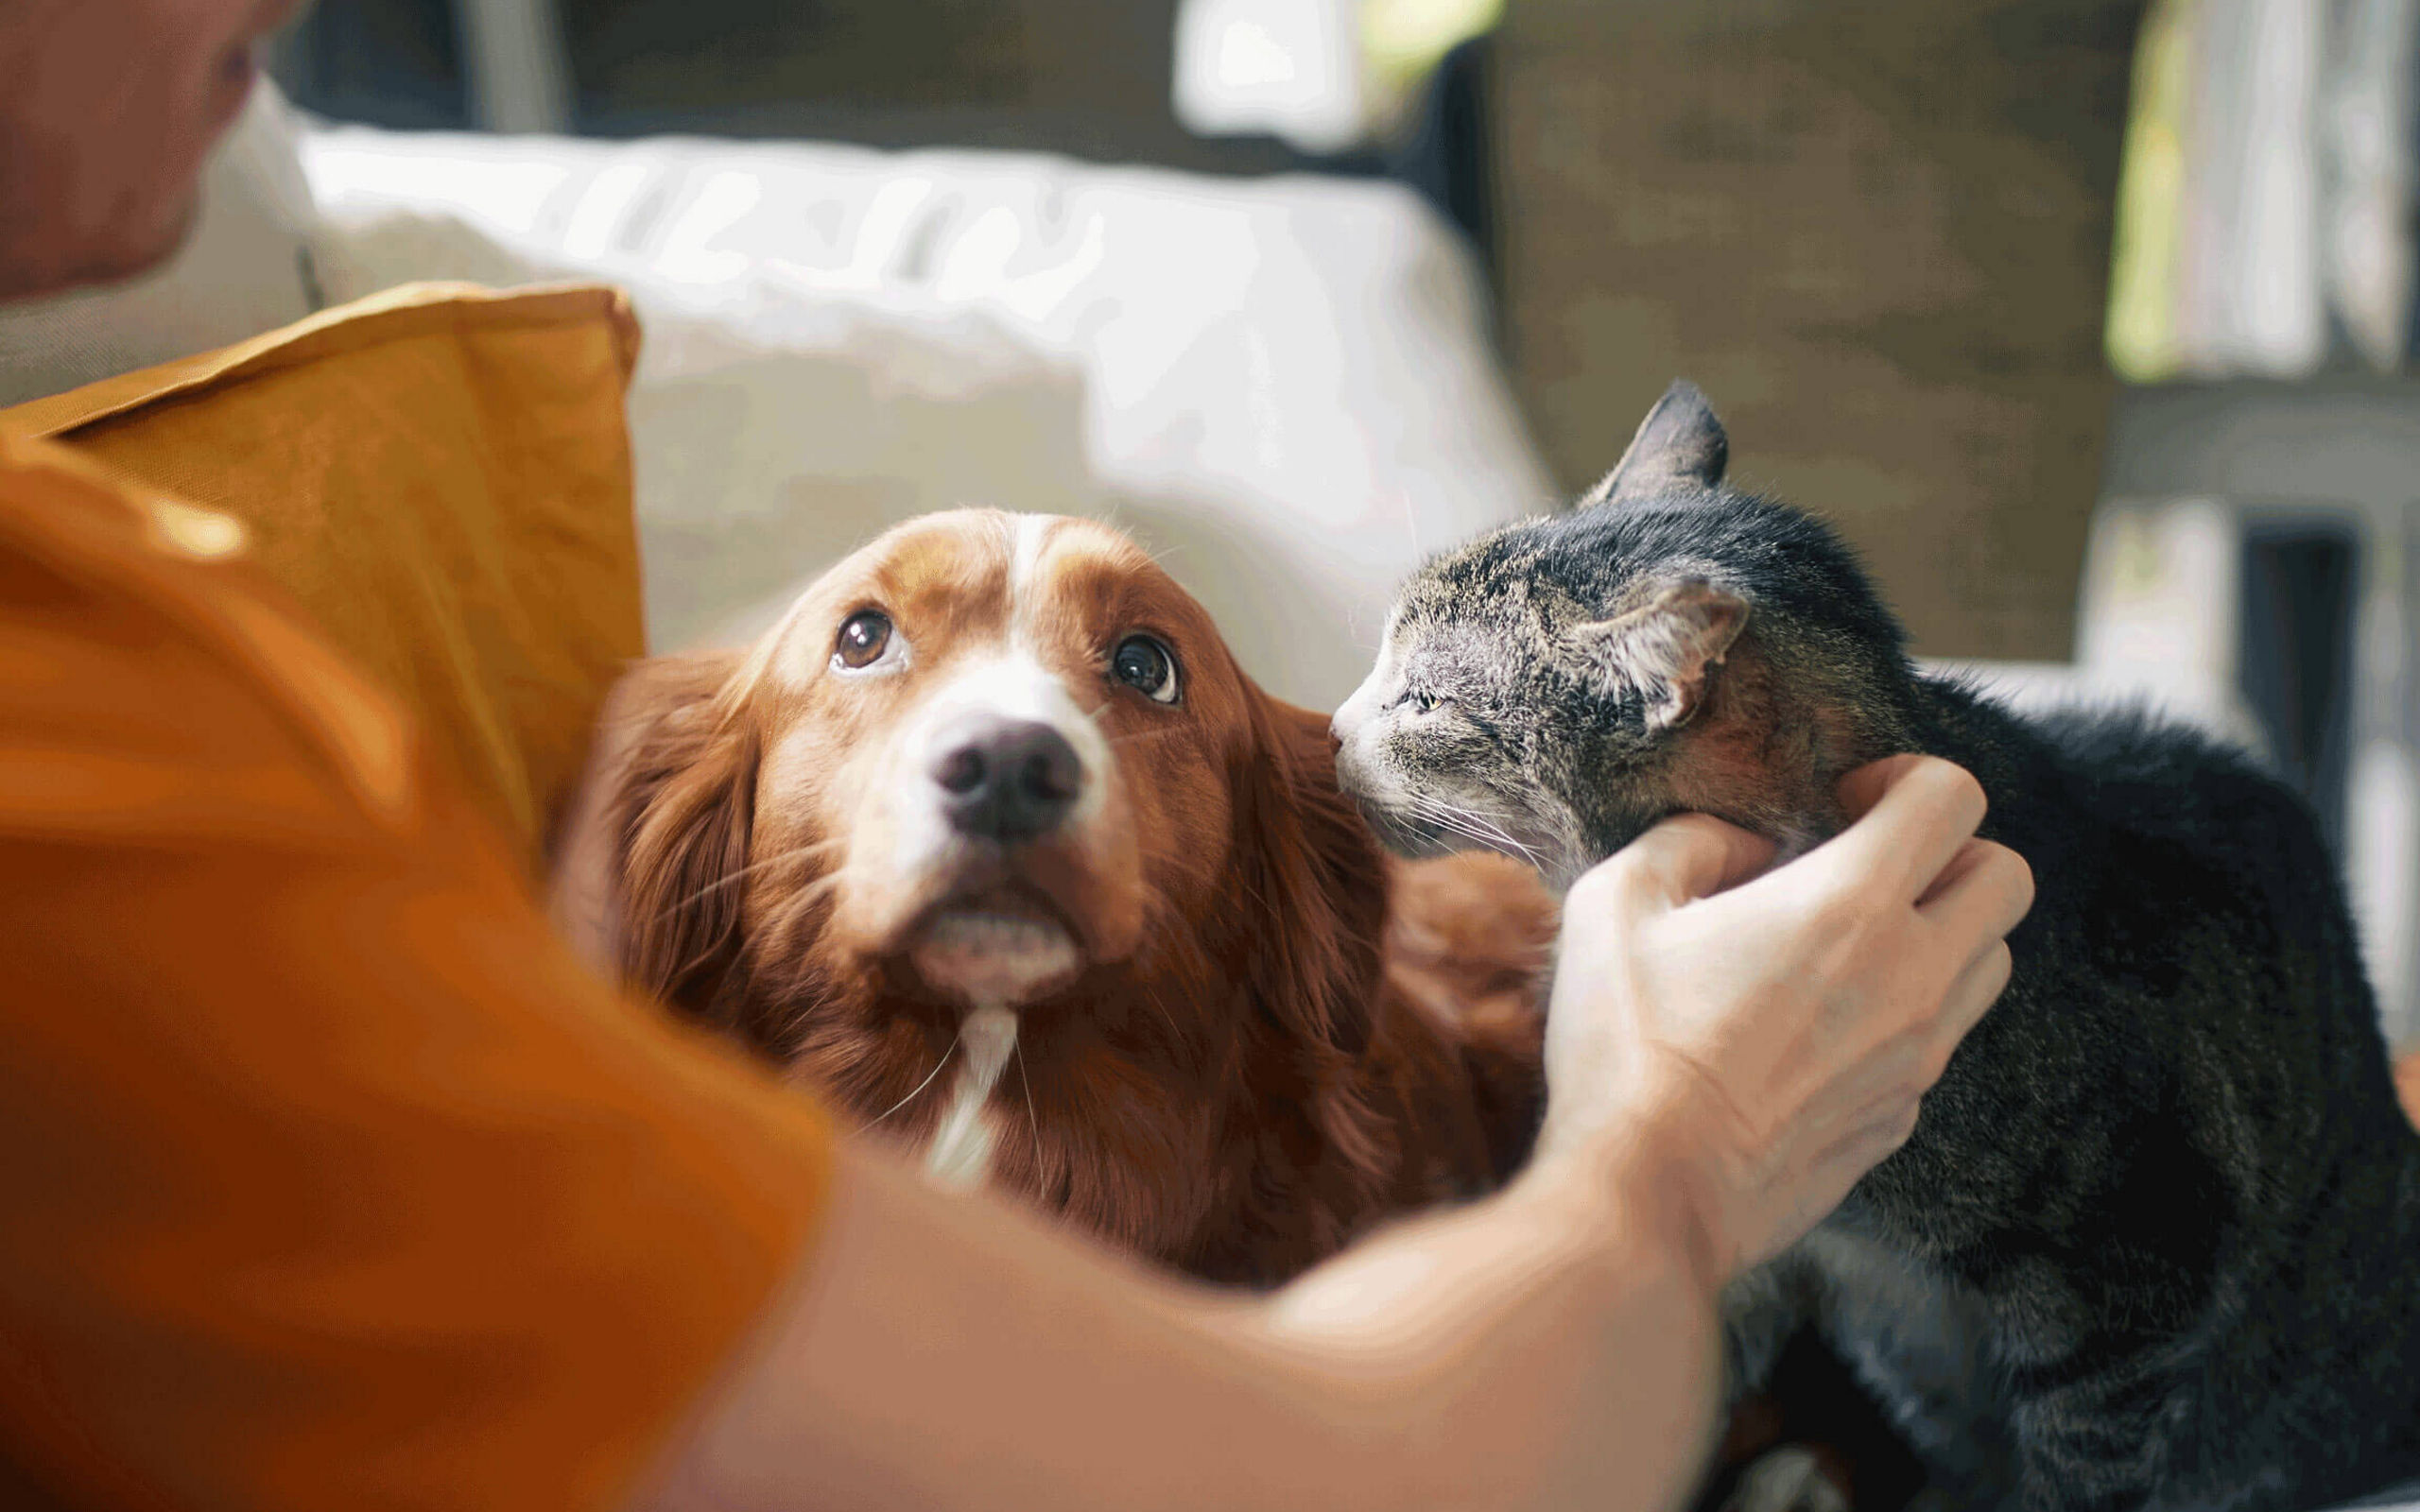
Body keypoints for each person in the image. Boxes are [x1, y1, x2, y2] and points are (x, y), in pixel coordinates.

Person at [0, 4, 2034, 1509]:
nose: (279, 15)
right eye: (869, 644)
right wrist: (1676, 1136)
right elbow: (1341, 1465)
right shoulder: (78, 719)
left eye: (1139, 671)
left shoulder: (112, 601)